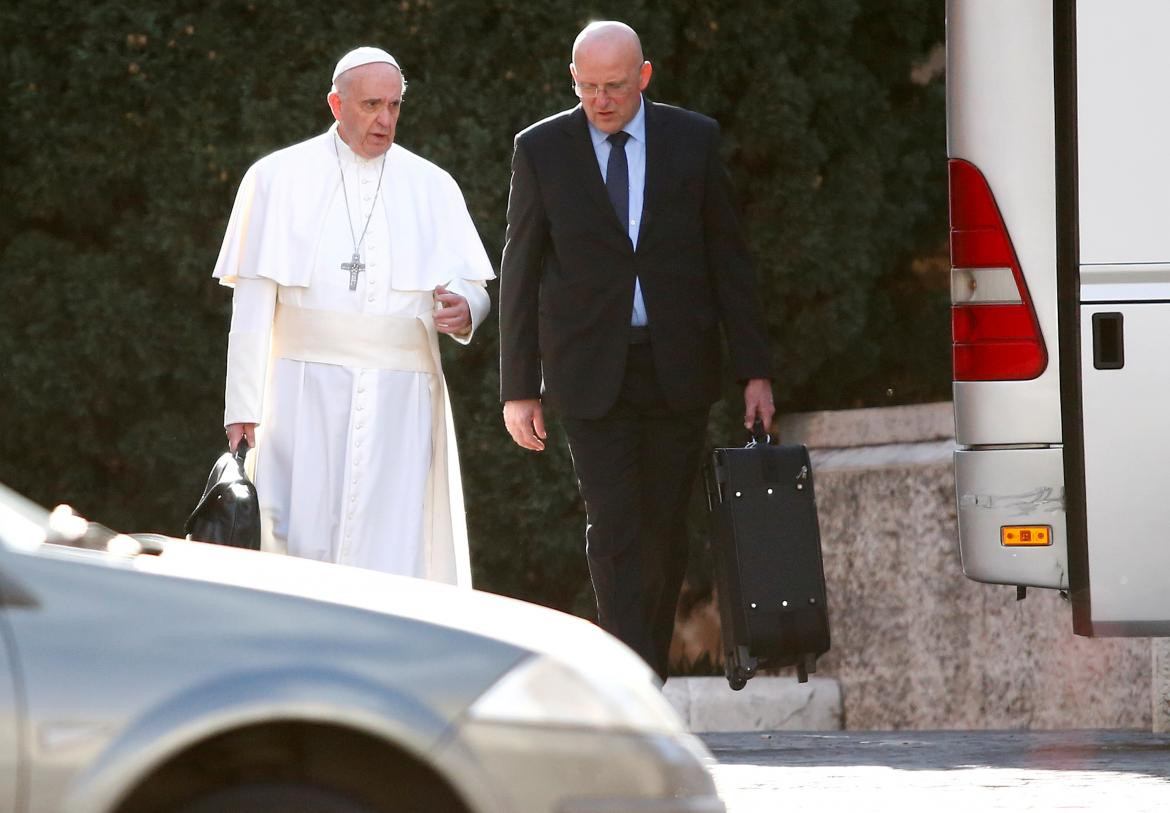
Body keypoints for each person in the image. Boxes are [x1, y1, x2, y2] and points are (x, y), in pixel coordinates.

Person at [498, 21, 775, 680]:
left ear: (643, 76)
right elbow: (521, 267)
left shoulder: (693, 139)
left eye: (615, 86)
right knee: (613, 524)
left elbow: (729, 260)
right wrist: (518, 385)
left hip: (676, 365)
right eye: (588, 87)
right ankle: (631, 676)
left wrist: (755, 370)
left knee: (663, 531)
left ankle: (644, 667)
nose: (601, 100)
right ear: (574, 81)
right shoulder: (541, 148)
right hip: (589, 370)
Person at [212, 47, 494, 586]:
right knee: (298, 537)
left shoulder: (432, 185)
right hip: (300, 393)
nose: (384, 120)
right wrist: (242, 406)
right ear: (336, 103)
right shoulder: (275, 177)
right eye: (370, 105)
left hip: (401, 400)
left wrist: (466, 310)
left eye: (394, 105)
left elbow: (472, 286)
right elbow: (250, 301)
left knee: (394, 541)